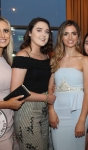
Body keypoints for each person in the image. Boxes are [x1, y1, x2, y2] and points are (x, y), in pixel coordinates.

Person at [10, 17, 56, 150]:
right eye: (39, 30)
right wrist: (46, 97)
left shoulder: (47, 57)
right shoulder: (22, 56)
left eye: (47, 31)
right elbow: (16, 91)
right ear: (30, 33)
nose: (43, 35)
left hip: (44, 111)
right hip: (26, 110)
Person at [48, 20, 88, 150]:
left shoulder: (84, 60)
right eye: (66, 34)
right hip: (57, 112)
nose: (70, 37)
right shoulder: (54, 59)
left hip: (77, 113)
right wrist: (51, 111)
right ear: (61, 36)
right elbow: (50, 88)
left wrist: (82, 121)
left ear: (78, 36)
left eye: (73, 33)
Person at [0, 17, 25, 150]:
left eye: (5, 30)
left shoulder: (6, 61)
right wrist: (7, 104)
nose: (2, 35)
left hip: (6, 128)